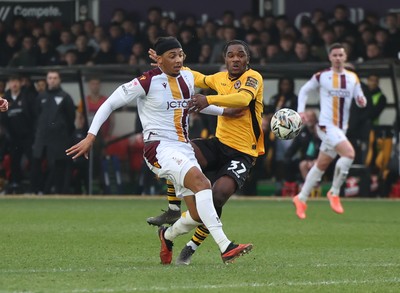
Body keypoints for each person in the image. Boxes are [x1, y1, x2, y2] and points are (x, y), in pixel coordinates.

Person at [65, 37, 253, 264]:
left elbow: (192, 104)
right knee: (203, 184)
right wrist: (91, 135)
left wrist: (224, 112)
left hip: (183, 148)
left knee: (196, 215)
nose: (178, 60)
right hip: (159, 149)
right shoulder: (147, 81)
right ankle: (226, 247)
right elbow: (110, 103)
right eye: (172, 56)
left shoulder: (186, 77)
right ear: (160, 60)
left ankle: (167, 235)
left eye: (180, 55)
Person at [146, 39, 264, 265]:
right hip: (219, 144)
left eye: (241, 55)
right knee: (179, 148)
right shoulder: (219, 79)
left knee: (216, 197)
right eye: (231, 55)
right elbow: (195, 76)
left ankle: (187, 244)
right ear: (225, 59)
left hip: (242, 153)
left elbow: (242, 99)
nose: (236, 59)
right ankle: (173, 208)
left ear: (247, 59)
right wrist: (165, 62)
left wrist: (207, 98)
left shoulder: (253, 78)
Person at [292, 43, 367, 219]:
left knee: (321, 164)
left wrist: (362, 101)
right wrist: (301, 111)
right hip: (326, 126)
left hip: (341, 128)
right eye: (335, 55)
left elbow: (360, 97)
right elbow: (304, 90)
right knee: (348, 154)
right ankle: (334, 192)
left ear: (345, 57)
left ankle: (301, 197)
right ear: (330, 57)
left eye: (341, 55)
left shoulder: (352, 78)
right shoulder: (322, 76)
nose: (338, 58)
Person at [31, 70, 76, 194]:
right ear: (46, 80)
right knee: (37, 163)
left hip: (58, 139)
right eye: (50, 78)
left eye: (55, 78)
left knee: (57, 166)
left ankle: (56, 190)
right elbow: (36, 115)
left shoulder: (65, 97)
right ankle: (37, 190)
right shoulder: (41, 97)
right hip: (41, 138)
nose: (52, 80)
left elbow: (70, 118)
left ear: (59, 80)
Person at [1, 75, 37, 193]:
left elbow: (34, 116)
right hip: (12, 137)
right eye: (12, 81)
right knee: (14, 161)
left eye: (16, 81)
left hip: (28, 136)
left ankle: (34, 187)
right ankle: (15, 185)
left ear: (21, 83)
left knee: (32, 160)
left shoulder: (28, 96)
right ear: (8, 84)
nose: (14, 84)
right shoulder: (5, 98)